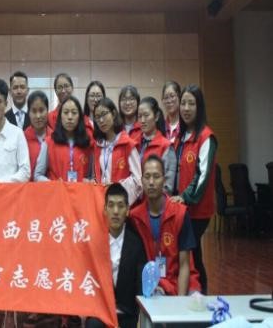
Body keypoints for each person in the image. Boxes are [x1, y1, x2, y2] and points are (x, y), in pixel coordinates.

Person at [130, 155, 200, 296]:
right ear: (141, 180)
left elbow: (184, 265)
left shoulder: (180, 213)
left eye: (156, 176)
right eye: (147, 177)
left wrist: (180, 302)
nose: (151, 182)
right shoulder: (134, 217)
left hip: (180, 282)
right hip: (153, 285)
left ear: (164, 179)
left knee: (195, 300)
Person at [171, 85, 217, 295]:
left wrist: (185, 197)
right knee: (191, 253)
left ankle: (201, 294)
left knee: (193, 252)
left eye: (192, 103)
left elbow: (202, 175)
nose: (186, 108)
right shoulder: (181, 137)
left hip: (197, 210)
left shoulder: (206, 137)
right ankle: (192, 293)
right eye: (183, 103)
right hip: (181, 208)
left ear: (200, 107)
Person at [85, 184, 146, 328]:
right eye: (111, 205)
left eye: (120, 206)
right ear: (105, 210)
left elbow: (140, 286)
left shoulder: (136, 244)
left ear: (128, 210)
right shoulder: (94, 243)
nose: (116, 211)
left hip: (128, 315)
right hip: (101, 314)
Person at [93, 98, 142, 206]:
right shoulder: (98, 146)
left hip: (121, 205)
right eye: (97, 117)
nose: (101, 120)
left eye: (104, 114)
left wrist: (115, 188)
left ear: (114, 114)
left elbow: (137, 180)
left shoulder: (127, 144)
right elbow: (98, 176)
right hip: (102, 202)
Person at [35, 96, 92, 182]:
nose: (70, 117)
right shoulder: (49, 142)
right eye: (66, 112)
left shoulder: (87, 143)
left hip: (81, 190)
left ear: (80, 117)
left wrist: (89, 181)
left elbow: (92, 176)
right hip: (57, 190)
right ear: (60, 116)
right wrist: (53, 184)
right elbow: (37, 175)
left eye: (74, 113)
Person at [137, 96, 177, 194]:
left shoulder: (166, 146)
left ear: (156, 116)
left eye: (146, 115)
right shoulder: (134, 143)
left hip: (155, 201)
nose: (142, 120)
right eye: (140, 116)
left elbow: (168, 187)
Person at [24, 91, 52, 181]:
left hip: (51, 187)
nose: (38, 116)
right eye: (34, 111)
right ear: (28, 113)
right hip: (28, 188)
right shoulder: (22, 138)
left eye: (41, 110)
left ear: (47, 111)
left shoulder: (55, 137)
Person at [161, 81, 182, 145]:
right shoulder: (160, 127)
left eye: (172, 96)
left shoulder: (185, 126)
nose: (169, 101)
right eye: (166, 98)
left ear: (179, 97)